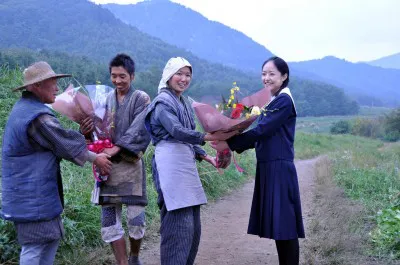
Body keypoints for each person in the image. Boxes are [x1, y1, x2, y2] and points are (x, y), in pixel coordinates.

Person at [0, 61, 112, 265]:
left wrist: (83, 134)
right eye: (52, 83)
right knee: (34, 246)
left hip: (35, 191)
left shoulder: (27, 110)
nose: (57, 88)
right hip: (31, 193)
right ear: (36, 86)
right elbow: (63, 142)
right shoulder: (36, 117)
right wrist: (97, 158)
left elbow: (56, 143)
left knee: (49, 240)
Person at [211, 56, 305, 265]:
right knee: (281, 226)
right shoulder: (274, 100)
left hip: (279, 167)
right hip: (270, 166)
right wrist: (228, 139)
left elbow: (262, 131)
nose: (266, 78)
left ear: (284, 76)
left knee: (286, 226)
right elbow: (260, 135)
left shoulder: (283, 100)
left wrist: (228, 143)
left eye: (272, 74)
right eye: (264, 73)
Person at [144, 57, 237, 265]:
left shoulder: (184, 102)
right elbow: (177, 131)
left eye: (188, 75)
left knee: (193, 227)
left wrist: (208, 157)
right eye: (179, 74)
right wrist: (209, 137)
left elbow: (189, 135)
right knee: (178, 225)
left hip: (185, 165)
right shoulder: (162, 103)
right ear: (168, 76)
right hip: (169, 166)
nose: (184, 79)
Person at [80, 54, 151, 265]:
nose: (118, 81)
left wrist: (117, 147)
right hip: (107, 167)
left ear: (132, 76)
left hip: (131, 165)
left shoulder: (141, 98)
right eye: (114, 76)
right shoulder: (104, 99)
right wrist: (86, 132)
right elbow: (95, 133)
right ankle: (122, 262)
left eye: (122, 76)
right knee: (109, 222)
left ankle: (135, 256)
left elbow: (141, 127)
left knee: (136, 221)